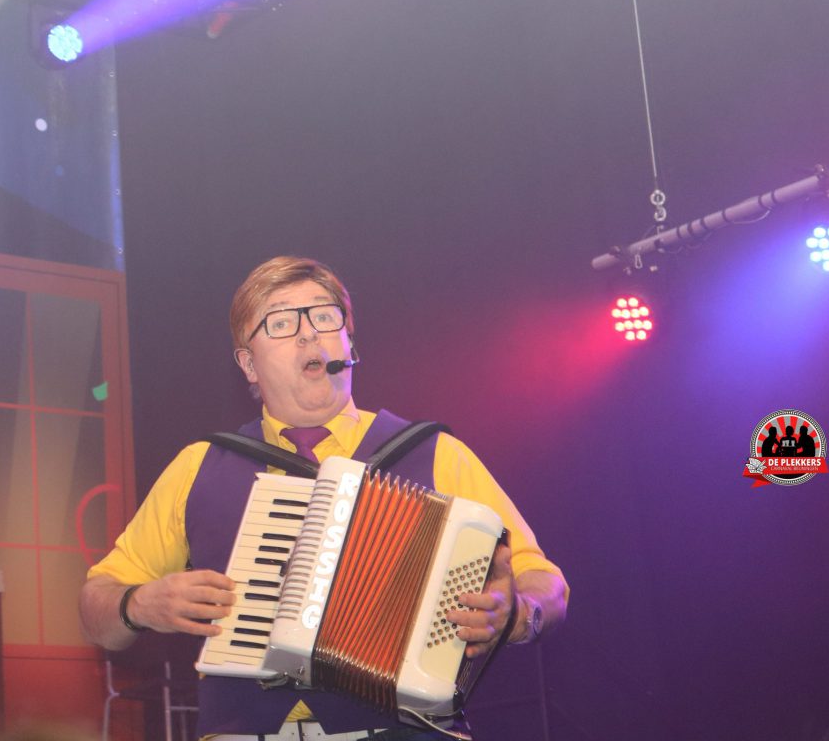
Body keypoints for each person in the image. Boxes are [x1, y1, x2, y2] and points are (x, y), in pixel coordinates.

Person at [80, 256, 568, 740]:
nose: (309, 333)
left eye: (324, 316)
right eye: (281, 322)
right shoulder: (199, 466)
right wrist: (137, 605)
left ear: (349, 343)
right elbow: (95, 607)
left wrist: (517, 614)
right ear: (248, 364)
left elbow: (546, 582)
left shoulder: (434, 453)